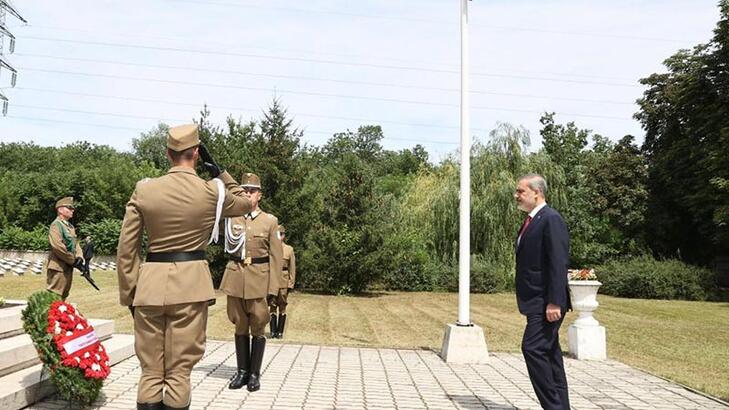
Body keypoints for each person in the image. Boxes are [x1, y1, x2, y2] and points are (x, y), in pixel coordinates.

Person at [117, 123, 252, 410]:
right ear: (196, 152)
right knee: (179, 374)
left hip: (150, 287)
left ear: (168, 153)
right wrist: (218, 170)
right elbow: (245, 203)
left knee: (151, 372)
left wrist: (130, 293)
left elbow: (127, 249)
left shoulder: (144, 189)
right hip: (191, 289)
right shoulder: (212, 192)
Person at [220, 172, 283, 392]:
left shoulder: (270, 221)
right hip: (236, 277)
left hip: (259, 278)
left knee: (258, 326)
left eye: (252, 191)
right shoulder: (231, 217)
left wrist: (274, 287)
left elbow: (277, 257)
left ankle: (254, 374)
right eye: (244, 190)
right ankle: (242, 372)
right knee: (239, 325)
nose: (248, 193)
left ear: (260, 195)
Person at [513, 173, 571, 410]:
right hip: (535, 300)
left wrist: (555, 302)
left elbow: (558, 262)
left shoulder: (551, 219)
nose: (516, 196)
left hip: (546, 302)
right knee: (549, 354)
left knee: (533, 348)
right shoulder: (531, 220)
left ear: (537, 193)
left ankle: (554, 407)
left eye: (521, 191)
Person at [46, 197, 84, 299]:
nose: (72, 210)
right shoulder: (56, 225)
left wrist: (79, 257)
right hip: (58, 267)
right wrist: (73, 260)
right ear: (60, 210)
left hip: (67, 267)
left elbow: (76, 244)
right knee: (54, 296)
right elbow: (57, 246)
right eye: (69, 208)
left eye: (72, 208)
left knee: (64, 296)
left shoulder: (70, 227)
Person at [269, 224, 296, 339]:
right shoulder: (270, 248)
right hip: (272, 280)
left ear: (284, 235)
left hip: (284, 281)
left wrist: (291, 282)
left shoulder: (289, 249)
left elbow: (292, 267)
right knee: (272, 305)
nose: (280, 236)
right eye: (278, 234)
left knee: (283, 305)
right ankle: (273, 331)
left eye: (281, 234)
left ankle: (280, 332)